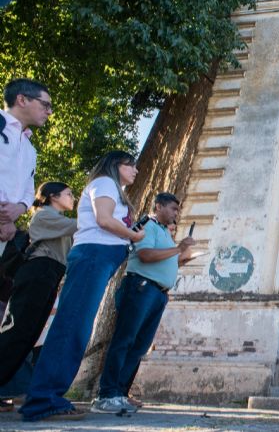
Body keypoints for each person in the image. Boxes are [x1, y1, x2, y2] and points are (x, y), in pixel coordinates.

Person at [18, 151, 145, 422]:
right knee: (72, 325)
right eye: (130, 165)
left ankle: (48, 396)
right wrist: (133, 235)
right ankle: (44, 400)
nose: (135, 170)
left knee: (77, 325)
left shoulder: (112, 188)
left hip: (99, 258)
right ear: (115, 165)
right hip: (94, 255)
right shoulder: (105, 182)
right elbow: (104, 220)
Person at [91, 192, 194, 414]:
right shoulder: (149, 225)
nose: (176, 213)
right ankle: (106, 394)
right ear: (158, 206)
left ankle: (119, 393)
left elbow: (165, 260)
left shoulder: (165, 232)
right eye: (173, 209)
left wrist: (181, 258)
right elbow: (146, 255)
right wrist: (178, 249)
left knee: (139, 345)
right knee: (125, 339)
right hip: (141, 288)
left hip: (158, 293)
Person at [0, 182, 77, 412]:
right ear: (53, 196)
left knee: (28, 335)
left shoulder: (57, 219)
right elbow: (79, 225)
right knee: (16, 332)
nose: (73, 198)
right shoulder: (45, 215)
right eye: (69, 194)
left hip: (49, 274)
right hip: (38, 272)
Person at [0, 79, 51, 255]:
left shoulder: (30, 149)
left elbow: (29, 191)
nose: (49, 112)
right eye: (45, 105)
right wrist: (4, 218)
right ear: (22, 100)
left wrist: (20, 208)